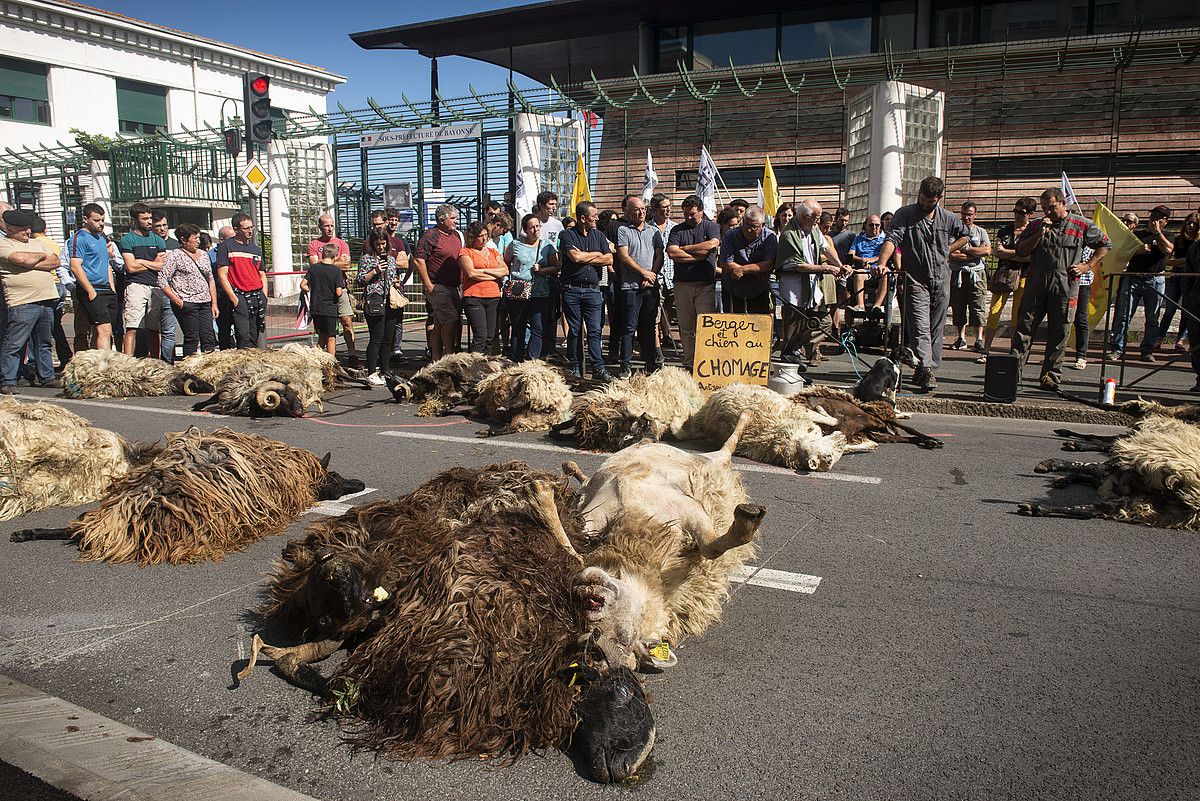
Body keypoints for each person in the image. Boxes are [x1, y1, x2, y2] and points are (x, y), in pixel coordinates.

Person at [1011, 187, 1111, 390]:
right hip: (1036, 287)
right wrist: (1039, 233)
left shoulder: (1081, 224)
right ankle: (1012, 375)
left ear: (1063, 204)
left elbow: (1105, 245)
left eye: (1052, 207)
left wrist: (1087, 265)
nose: (1048, 212)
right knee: (1024, 331)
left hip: (1065, 288)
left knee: (1059, 333)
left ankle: (1050, 376)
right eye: (1044, 208)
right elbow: (1021, 250)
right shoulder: (1037, 225)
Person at [876, 177, 970, 391]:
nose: (926, 203)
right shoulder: (905, 214)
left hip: (941, 279)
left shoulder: (948, 218)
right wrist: (882, 263)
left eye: (931, 200)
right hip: (915, 279)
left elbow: (965, 236)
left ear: (939, 198)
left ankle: (925, 367)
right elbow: (892, 239)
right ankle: (926, 369)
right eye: (924, 198)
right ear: (919, 193)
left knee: (936, 327)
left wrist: (949, 249)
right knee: (920, 326)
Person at [775, 198, 849, 365]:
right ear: (803, 216)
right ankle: (789, 362)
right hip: (794, 290)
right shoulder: (789, 235)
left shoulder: (814, 229)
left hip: (812, 289)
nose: (818, 221)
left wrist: (839, 264)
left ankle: (794, 350)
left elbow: (826, 248)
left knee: (824, 321)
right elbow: (799, 265)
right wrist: (827, 269)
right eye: (815, 217)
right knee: (792, 329)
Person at [0, 209, 60, 392]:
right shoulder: (4, 245)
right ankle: (8, 380)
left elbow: (56, 262)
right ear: (10, 229)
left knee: (44, 342)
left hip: (46, 298)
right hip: (22, 302)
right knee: (14, 343)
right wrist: (40, 258)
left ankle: (46, 376)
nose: (28, 232)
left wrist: (31, 262)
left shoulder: (36, 243)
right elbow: (20, 258)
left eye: (28, 228)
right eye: (22, 229)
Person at [1109, 205, 1173, 362]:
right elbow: (1123, 252)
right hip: (1134, 278)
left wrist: (1157, 233)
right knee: (1123, 315)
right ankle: (1118, 348)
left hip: (1155, 279)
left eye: (1159, 218)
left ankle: (1147, 349)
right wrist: (1139, 250)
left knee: (1152, 317)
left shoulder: (1168, 235)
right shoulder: (1138, 235)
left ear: (1165, 221)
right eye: (1152, 217)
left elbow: (1168, 250)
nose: (1154, 221)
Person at [559, 201, 614, 381]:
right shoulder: (567, 235)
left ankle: (598, 367)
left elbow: (609, 259)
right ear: (583, 218)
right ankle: (575, 367)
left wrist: (585, 257)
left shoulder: (598, 235)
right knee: (574, 330)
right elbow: (574, 257)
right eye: (593, 216)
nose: (597, 218)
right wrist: (596, 255)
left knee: (594, 330)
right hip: (572, 290)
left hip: (593, 290)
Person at [978, 197, 1036, 364]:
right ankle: (986, 350)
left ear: (1030, 214)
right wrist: (1018, 254)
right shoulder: (1005, 230)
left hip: (1024, 276)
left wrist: (1010, 252)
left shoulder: (1032, 231)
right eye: (1015, 211)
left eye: (1022, 213)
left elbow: (1030, 257)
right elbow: (997, 252)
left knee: (1017, 314)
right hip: (1004, 275)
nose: (1017, 215)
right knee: (994, 311)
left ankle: (1014, 350)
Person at [666, 195, 720, 372]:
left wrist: (685, 249)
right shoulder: (677, 230)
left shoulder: (711, 226)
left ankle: (706, 362)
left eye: (693, 214)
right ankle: (689, 363)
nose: (689, 217)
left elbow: (712, 244)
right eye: (686, 214)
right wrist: (698, 255)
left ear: (701, 211)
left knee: (706, 325)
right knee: (686, 326)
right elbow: (672, 253)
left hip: (705, 284)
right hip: (682, 284)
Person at [615, 196, 663, 376]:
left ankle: (649, 364)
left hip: (650, 286)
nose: (641, 212)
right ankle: (625, 366)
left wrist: (651, 275)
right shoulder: (623, 230)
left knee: (649, 326)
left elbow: (659, 255)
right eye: (636, 209)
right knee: (629, 327)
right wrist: (643, 273)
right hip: (631, 287)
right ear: (627, 212)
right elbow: (624, 256)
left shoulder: (653, 231)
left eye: (643, 209)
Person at [505, 214, 559, 362]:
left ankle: (531, 360)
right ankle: (516, 361)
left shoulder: (547, 245)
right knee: (518, 328)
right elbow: (505, 262)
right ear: (525, 229)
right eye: (531, 227)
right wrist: (507, 279)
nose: (535, 230)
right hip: (518, 292)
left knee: (538, 329)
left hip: (539, 292)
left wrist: (541, 270)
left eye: (537, 226)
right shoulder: (515, 244)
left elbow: (556, 267)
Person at [413, 203, 463, 361]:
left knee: (440, 322)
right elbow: (419, 260)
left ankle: (436, 358)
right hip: (438, 286)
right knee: (449, 319)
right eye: (453, 218)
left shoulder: (456, 235)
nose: (456, 221)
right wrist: (428, 285)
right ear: (442, 220)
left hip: (454, 286)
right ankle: (447, 356)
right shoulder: (431, 235)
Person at [306, 214, 358, 366]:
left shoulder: (341, 243)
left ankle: (352, 354)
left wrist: (326, 263)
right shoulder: (314, 244)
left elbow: (347, 265)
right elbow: (314, 265)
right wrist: (334, 263)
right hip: (322, 293)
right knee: (325, 332)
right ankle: (320, 359)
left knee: (347, 320)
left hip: (340, 288)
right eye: (326, 226)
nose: (329, 229)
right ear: (320, 227)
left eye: (331, 225)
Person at [158, 223, 217, 356]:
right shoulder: (175, 255)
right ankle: (189, 369)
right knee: (192, 337)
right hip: (187, 302)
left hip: (205, 302)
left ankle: (209, 366)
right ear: (184, 239)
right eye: (195, 238)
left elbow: (210, 279)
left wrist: (214, 303)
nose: (198, 241)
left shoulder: (203, 254)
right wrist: (177, 300)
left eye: (198, 237)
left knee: (208, 337)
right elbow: (162, 280)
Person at [118, 202, 166, 359]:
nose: (149, 221)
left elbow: (161, 266)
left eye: (150, 218)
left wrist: (142, 261)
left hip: (155, 286)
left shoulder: (158, 240)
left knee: (154, 328)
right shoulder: (128, 240)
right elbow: (131, 267)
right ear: (135, 220)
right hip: (135, 285)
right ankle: (127, 362)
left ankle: (155, 362)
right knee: (132, 326)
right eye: (145, 218)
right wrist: (152, 263)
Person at [67, 203, 117, 352]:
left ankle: (95, 364)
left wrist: (112, 287)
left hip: (106, 288)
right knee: (104, 330)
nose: (101, 224)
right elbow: (75, 266)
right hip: (93, 288)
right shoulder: (79, 238)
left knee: (103, 330)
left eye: (102, 220)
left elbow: (106, 264)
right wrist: (90, 291)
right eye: (96, 220)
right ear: (85, 219)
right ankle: (104, 366)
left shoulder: (102, 238)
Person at [215, 212, 267, 349]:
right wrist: (234, 298)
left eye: (251, 227)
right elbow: (222, 274)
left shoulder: (255, 249)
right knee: (243, 335)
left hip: (256, 295)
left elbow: (262, 274)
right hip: (240, 295)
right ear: (236, 229)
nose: (250, 231)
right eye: (246, 228)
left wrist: (264, 295)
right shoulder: (226, 247)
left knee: (254, 334)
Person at [357, 228, 402, 384]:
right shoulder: (367, 258)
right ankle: (371, 372)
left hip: (390, 299)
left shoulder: (390, 259)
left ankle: (385, 370)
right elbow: (361, 279)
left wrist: (395, 282)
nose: (381, 247)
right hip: (374, 298)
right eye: (378, 244)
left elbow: (392, 276)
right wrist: (375, 270)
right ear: (373, 243)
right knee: (376, 337)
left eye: (383, 244)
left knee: (387, 339)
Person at [948, 201, 992, 352]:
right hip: (957, 274)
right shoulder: (954, 232)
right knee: (958, 307)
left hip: (977, 274)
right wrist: (974, 253)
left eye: (970, 215)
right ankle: (961, 338)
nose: (967, 217)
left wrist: (966, 250)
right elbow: (951, 253)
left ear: (975, 215)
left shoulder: (981, 232)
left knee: (977, 307)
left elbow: (986, 251)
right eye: (964, 214)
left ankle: (977, 338)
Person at [458, 221, 507, 354]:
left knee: (490, 336)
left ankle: (486, 363)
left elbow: (505, 271)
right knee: (481, 336)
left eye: (486, 235)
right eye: (480, 236)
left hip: (494, 296)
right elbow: (471, 273)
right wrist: (493, 274)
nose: (484, 238)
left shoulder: (493, 251)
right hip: (474, 297)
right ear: (472, 237)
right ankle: (474, 364)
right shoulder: (465, 252)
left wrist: (483, 272)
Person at [719, 205, 776, 315]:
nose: (749, 230)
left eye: (754, 227)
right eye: (746, 225)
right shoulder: (730, 236)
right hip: (733, 289)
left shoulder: (770, 237)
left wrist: (744, 269)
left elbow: (769, 264)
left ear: (762, 225)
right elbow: (726, 263)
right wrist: (755, 269)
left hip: (759, 288)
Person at [1160, 212, 1200, 352]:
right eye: (1188, 222)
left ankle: (1180, 341)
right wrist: (1186, 260)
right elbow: (1167, 261)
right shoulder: (1178, 240)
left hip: (1191, 277)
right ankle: (1159, 338)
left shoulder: (1197, 243)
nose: (1190, 225)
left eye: (1194, 223)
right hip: (1176, 276)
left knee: (1186, 311)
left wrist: (1183, 261)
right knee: (1169, 309)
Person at [534, 191, 565, 358]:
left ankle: (550, 348)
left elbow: (559, 247)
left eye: (555, 204)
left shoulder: (557, 225)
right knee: (537, 314)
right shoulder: (532, 222)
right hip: (535, 275)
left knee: (552, 314)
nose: (553, 208)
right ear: (541, 206)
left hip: (552, 274)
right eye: (550, 205)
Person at [302, 242, 346, 358]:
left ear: (322, 254)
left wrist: (310, 291)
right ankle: (331, 362)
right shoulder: (336, 271)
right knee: (331, 337)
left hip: (316, 308)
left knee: (321, 336)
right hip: (330, 309)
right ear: (335, 257)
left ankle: (315, 358)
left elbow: (303, 284)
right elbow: (338, 292)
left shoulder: (314, 268)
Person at [151, 212, 178, 362]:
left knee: (169, 331)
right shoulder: (150, 243)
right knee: (153, 329)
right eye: (158, 226)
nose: (162, 229)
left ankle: (168, 361)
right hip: (153, 289)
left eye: (164, 225)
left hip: (172, 291)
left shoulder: (175, 245)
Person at [847, 215, 888, 311]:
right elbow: (850, 255)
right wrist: (862, 260)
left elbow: (888, 253)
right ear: (865, 225)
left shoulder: (885, 239)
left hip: (879, 268)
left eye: (877, 225)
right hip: (865, 269)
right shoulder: (858, 239)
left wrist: (874, 259)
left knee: (886, 273)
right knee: (859, 273)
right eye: (871, 225)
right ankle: (860, 305)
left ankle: (877, 306)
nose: (874, 227)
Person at [211, 225, 236, 349]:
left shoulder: (236, 251)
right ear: (221, 240)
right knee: (224, 329)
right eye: (231, 238)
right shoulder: (211, 256)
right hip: (221, 295)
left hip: (237, 294)